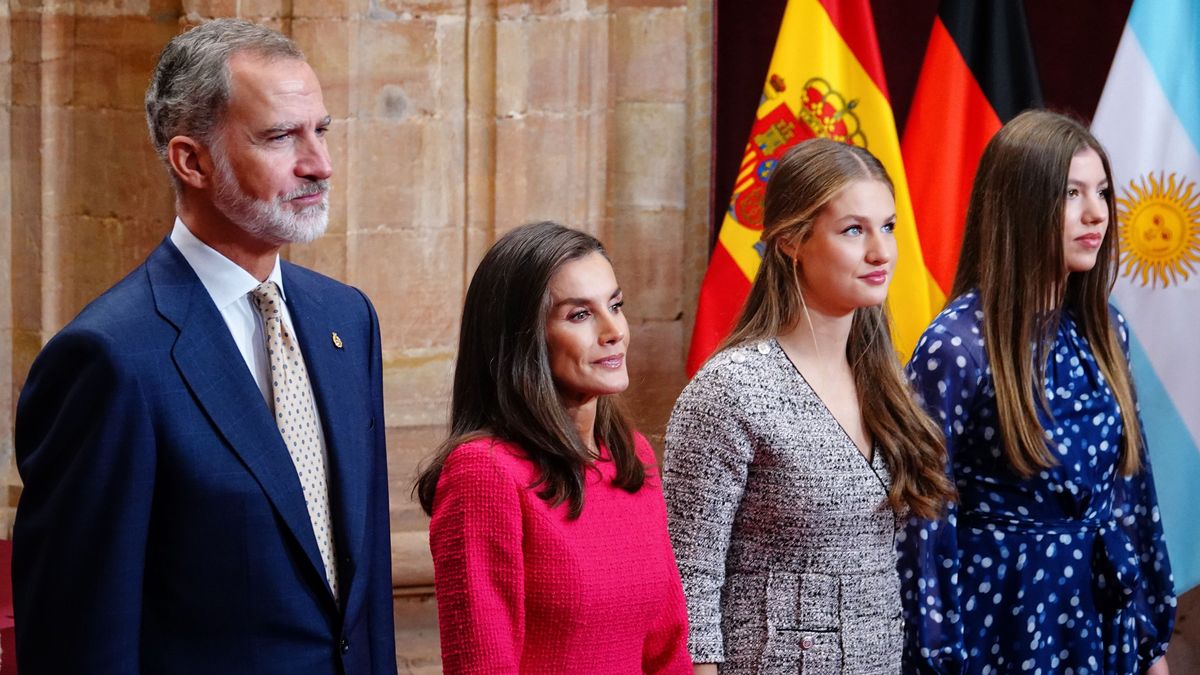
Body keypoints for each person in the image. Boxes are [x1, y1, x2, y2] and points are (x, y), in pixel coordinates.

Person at [12, 19, 396, 674]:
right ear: (191, 160)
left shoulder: (347, 319)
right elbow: (79, 641)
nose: (320, 164)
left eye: (321, 130)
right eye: (281, 136)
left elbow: (366, 588)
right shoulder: (108, 359)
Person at [663, 138, 956, 674]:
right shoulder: (732, 389)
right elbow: (688, 582)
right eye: (853, 230)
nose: (881, 252)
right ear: (792, 240)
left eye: (887, 227)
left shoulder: (884, 377)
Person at [901, 109, 1176, 674]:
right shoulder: (955, 345)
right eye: (1071, 194)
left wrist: (1153, 642)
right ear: (1020, 205)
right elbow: (923, 522)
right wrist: (935, 656)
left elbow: (1133, 491)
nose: (1096, 213)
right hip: (1003, 619)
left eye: (1101, 192)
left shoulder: (1103, 328)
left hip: (1100, 615)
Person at [416, 221, 690, 673]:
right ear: (523, 339)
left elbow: (668, 650)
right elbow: (483, 666)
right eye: (579, 315)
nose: (613, 331)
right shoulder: (484, 473)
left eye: (615, 305)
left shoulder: (630, 453)